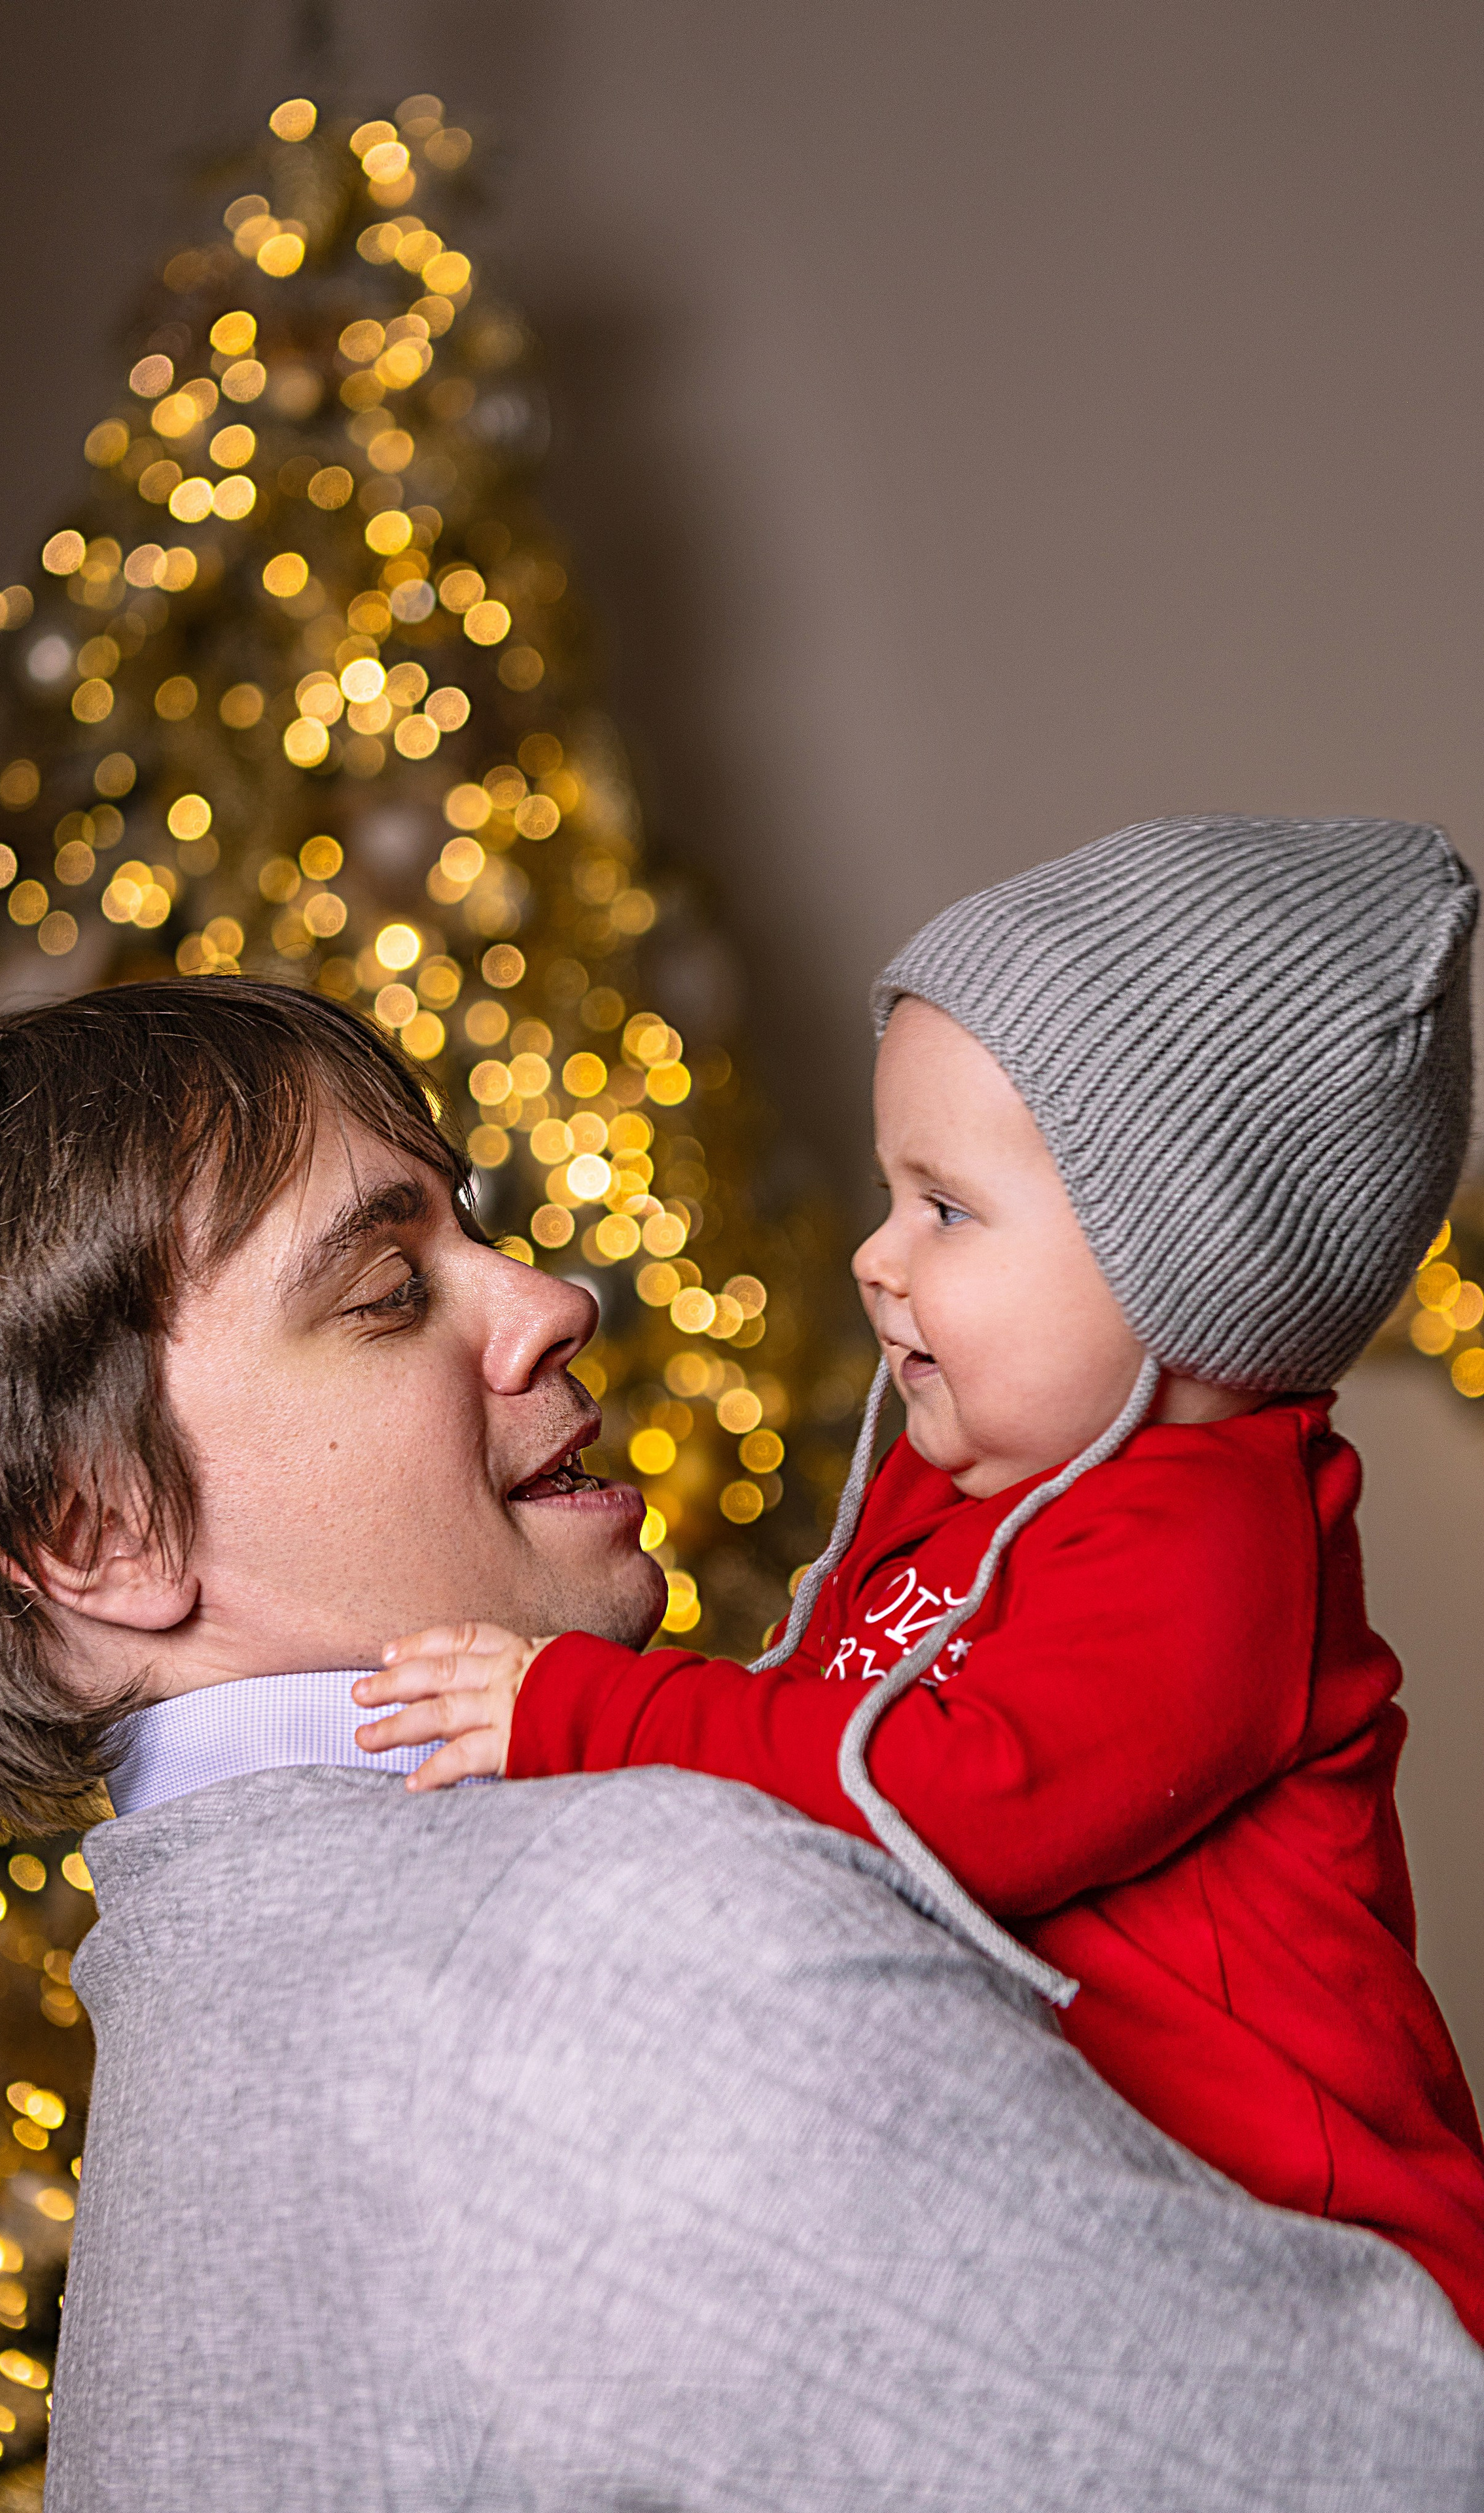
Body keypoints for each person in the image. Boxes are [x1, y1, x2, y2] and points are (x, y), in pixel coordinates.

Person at [0, 977, 1480, 2512]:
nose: (554, 1295)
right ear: (99, 1538)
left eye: (470, 1230)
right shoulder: (621, 1940)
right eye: (388, 1290)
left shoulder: (221, 1979)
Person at [360, 815, 1484, 2345]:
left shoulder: (1215, 1547)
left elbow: (949, 1804)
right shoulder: (953, 1489)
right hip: (1096, 2251)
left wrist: (592, 1714)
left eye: (944, 1208)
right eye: (894, 1198)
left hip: (1324, 2285)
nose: (877, 1259)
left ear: (1185, 1264)